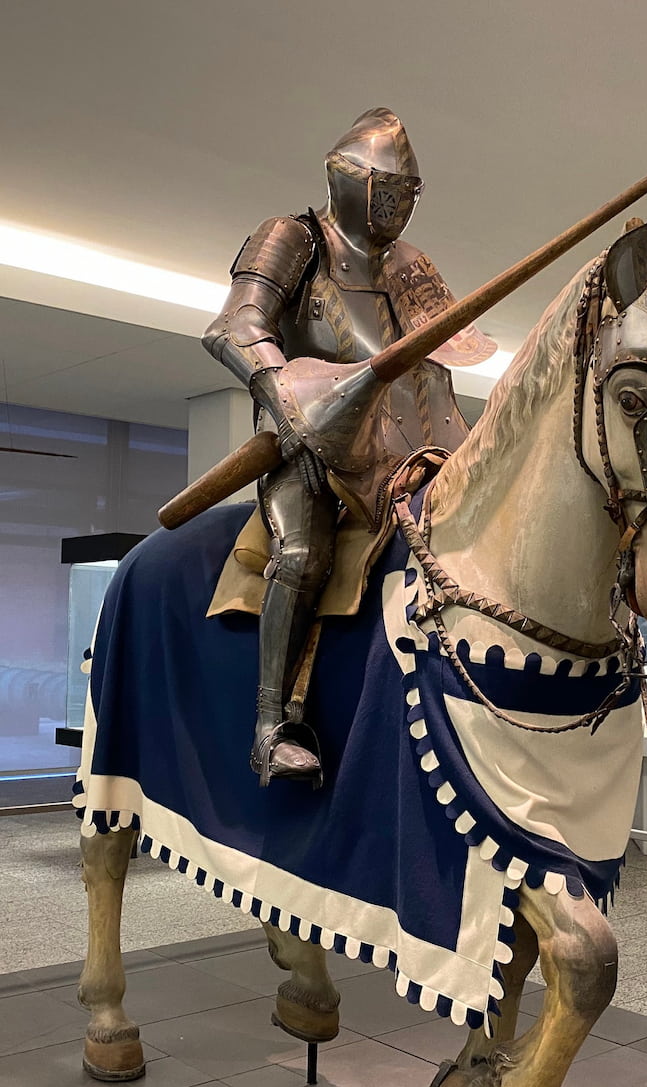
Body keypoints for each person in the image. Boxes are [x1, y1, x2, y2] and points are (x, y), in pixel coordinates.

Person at [202, 107, 494, 785]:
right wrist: (289, 402)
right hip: (316, 447)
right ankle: (271, 725)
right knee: (303, 554)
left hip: (417, 451)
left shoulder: (413, 267)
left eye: (405, 193)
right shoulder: (292, 237)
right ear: (346, 179)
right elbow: (235, 324)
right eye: (385, 190)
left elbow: (439, 364)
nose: (395, 207)